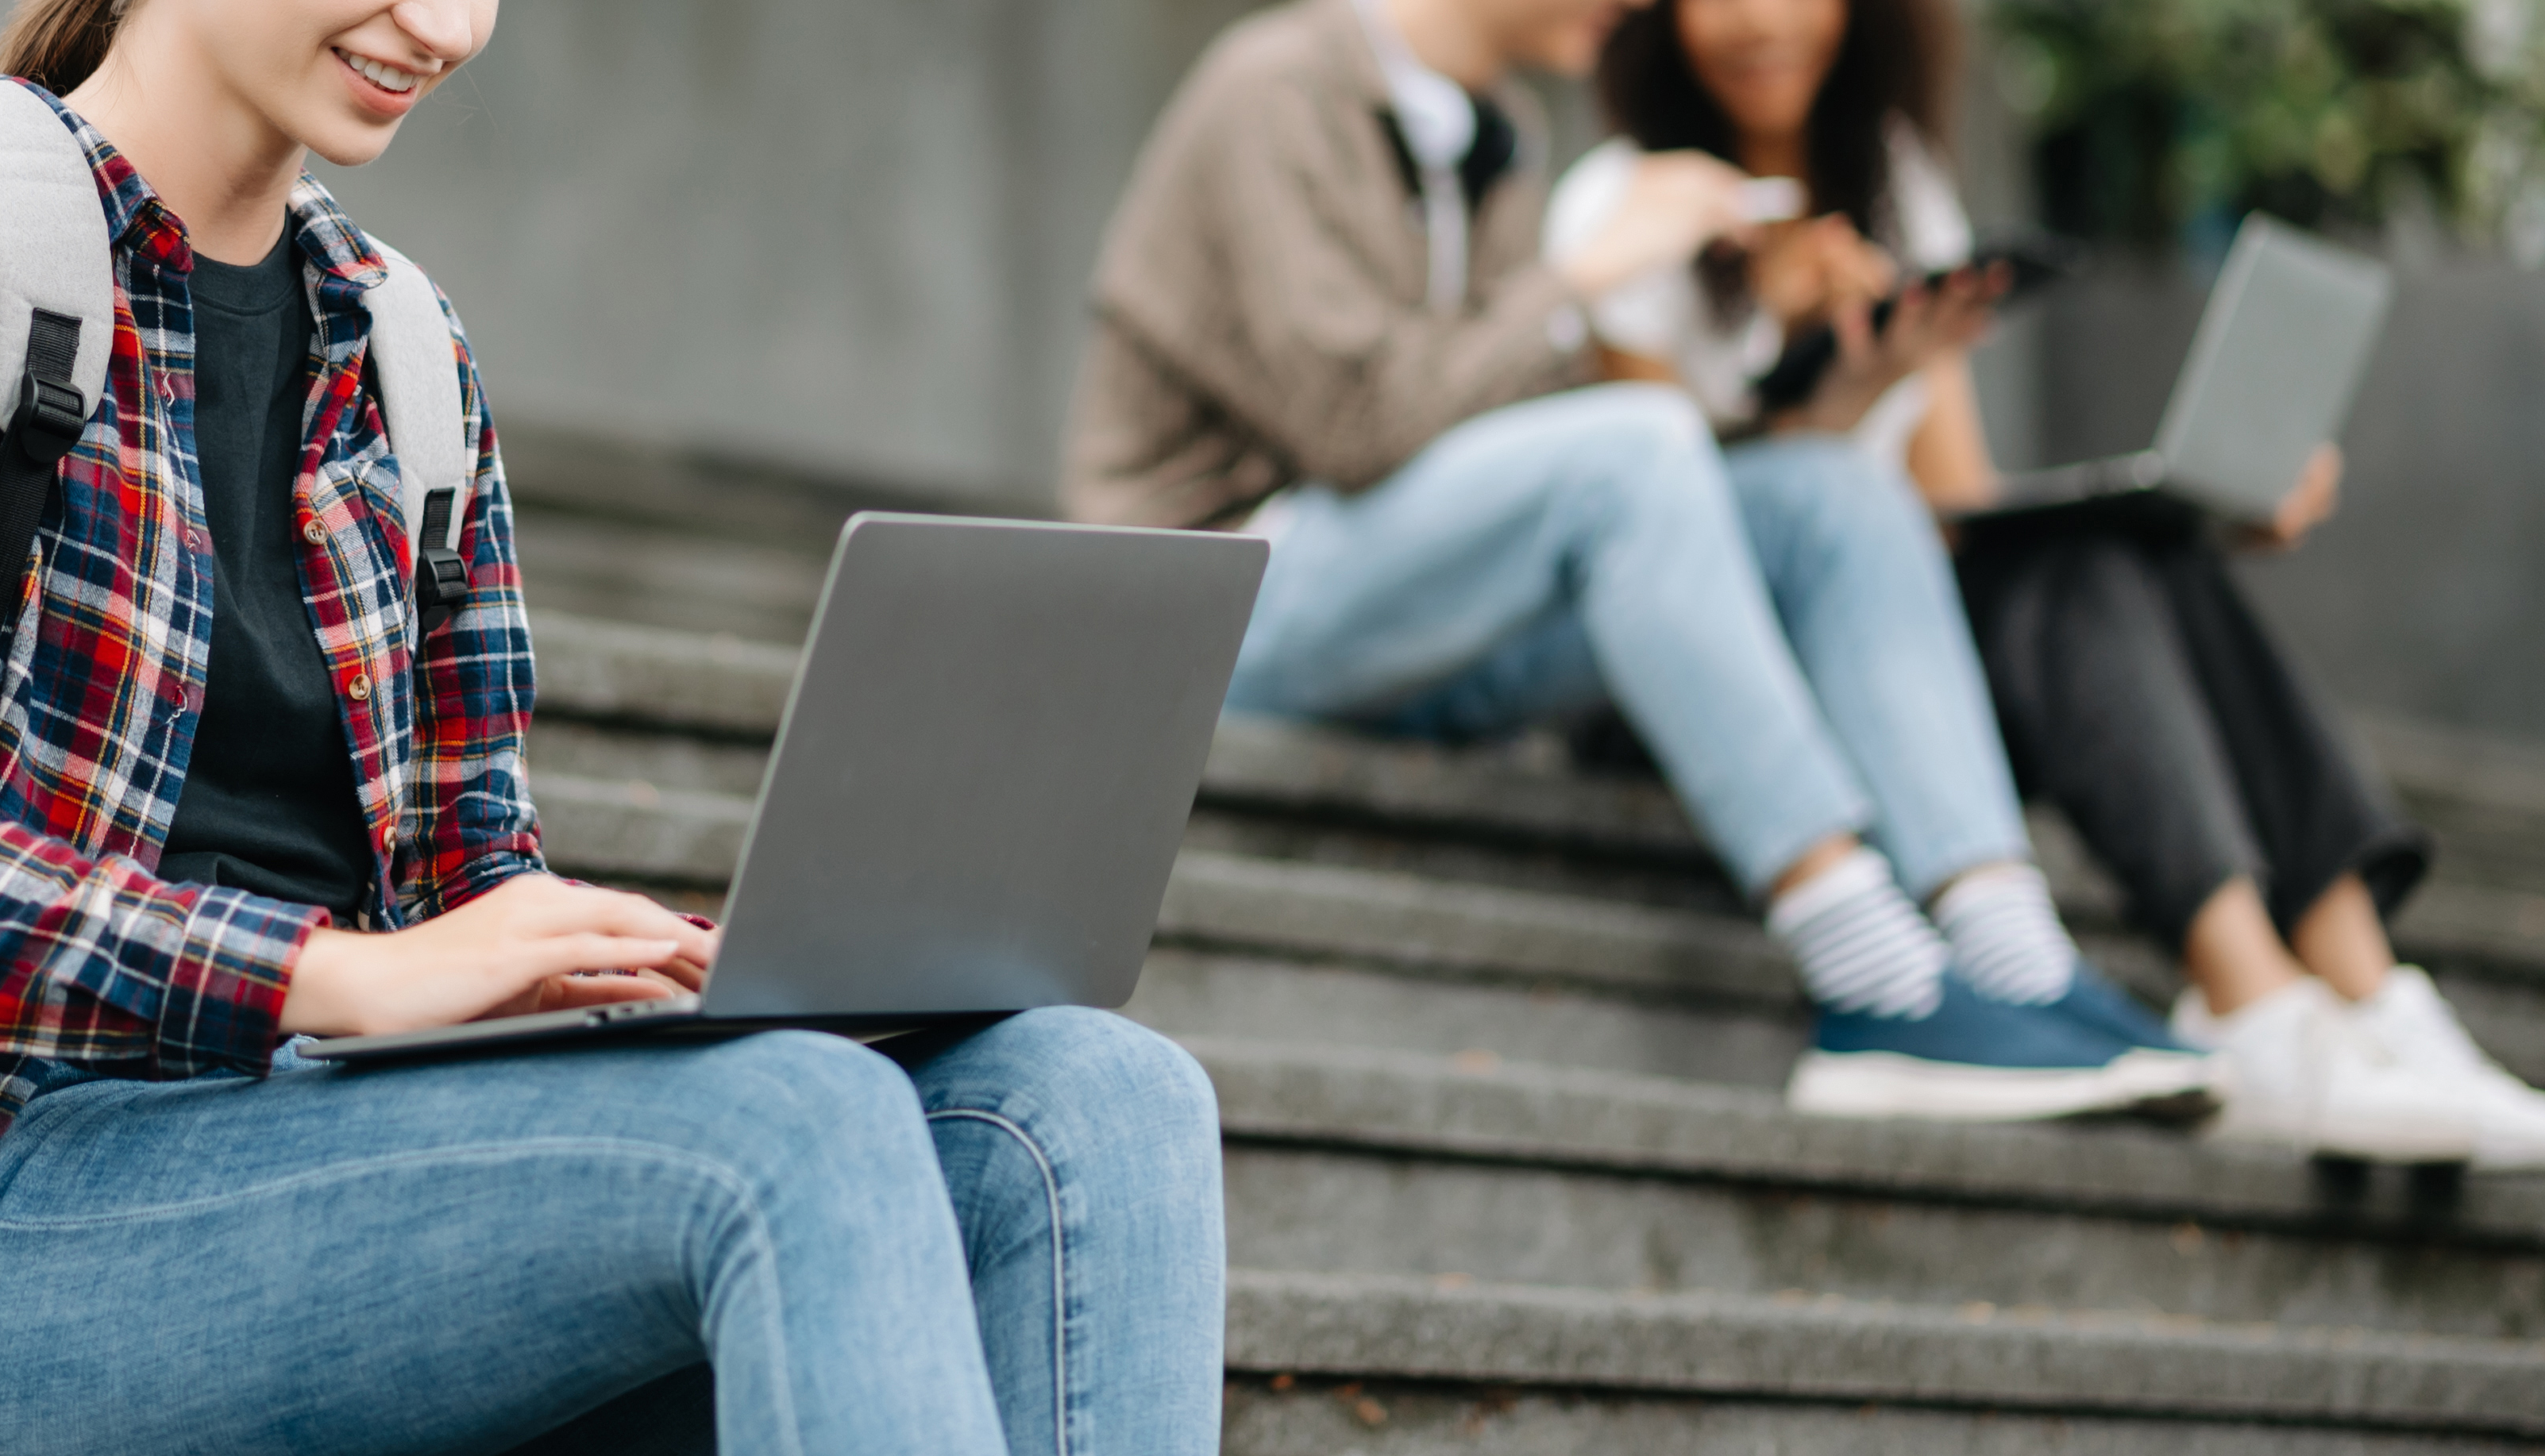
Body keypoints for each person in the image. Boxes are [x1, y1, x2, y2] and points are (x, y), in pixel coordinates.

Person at [0, 2, 1230, 1452]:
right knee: (796, 1127)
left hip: (339, 1163)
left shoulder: (405, 353)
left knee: (1095, 1098)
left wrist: (664, 969)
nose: (442, 32)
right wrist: (335, 974)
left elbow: (466, 882)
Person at [1067, 0, 2213, 1123]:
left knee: (1827, 492)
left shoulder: (1497, 122)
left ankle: (2014, 952)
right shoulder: (1275, 87)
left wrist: (1793, 354)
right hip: (1211, 614)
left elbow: (1530, 450)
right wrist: (1593, 277)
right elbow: (1355, 423)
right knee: (1634, 450)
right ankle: (1870, 967)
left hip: (1413, 627)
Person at [1555, 0, 2543, 1162]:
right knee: (2075, 572)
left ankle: (2365, 996)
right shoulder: (1626, 208)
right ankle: (2253, 999)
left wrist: (2195, 522)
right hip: (1725, 685)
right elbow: (1659, 525)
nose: (1760, 20)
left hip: (1896, 668)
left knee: (2109, 552)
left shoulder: (1896, 186)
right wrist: (1818, 388)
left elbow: (1958, 510)